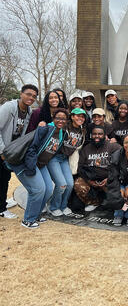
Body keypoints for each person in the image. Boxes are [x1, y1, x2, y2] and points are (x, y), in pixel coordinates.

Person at [7, 108, 68, 228]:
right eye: (58, 118)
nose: (61, 120)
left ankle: (36, 215)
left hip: (40, 164)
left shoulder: (62, 133)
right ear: (53, 118)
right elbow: (32, 148)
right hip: (27, 163)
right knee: (37, 189)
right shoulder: (45, 129)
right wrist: (30, 167)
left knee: (48, 189)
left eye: (64, 119)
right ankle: (28, 220)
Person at [0, 84, 38, 219]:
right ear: (21, 94)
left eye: (34, 96)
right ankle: (1, 209)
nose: (31, 97)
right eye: (28, 94)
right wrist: (2, 151)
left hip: (10, 151)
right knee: (2, 179)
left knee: (5, 178)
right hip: (3, 149)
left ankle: (2, 202)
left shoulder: (28, 112)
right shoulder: (9, 107)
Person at [47, 108, 86, 216]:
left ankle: (63, 206)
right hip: (54, 157)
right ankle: (53, 207)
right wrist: (43, 124)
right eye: (78, 116)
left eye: (82, 116)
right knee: (61, 184)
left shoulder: (82, 131)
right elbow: (52, 125)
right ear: (72, 116)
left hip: (65, 159)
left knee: (69, 184)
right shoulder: (65, 126)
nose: (80, 118)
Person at [74, 126, 121, 211]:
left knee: (113, 202)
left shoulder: (112, 146)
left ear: (104, 135)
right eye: (94, 134)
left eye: (100, 134)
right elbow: (80, 168)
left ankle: (111, 201)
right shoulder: (86, 149)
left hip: (109, 179)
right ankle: (94, 202)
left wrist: (109, 178)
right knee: (78, 184)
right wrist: (89, 181)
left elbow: (121, 164)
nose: (97, 136)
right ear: (91, 135)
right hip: (92, 179)